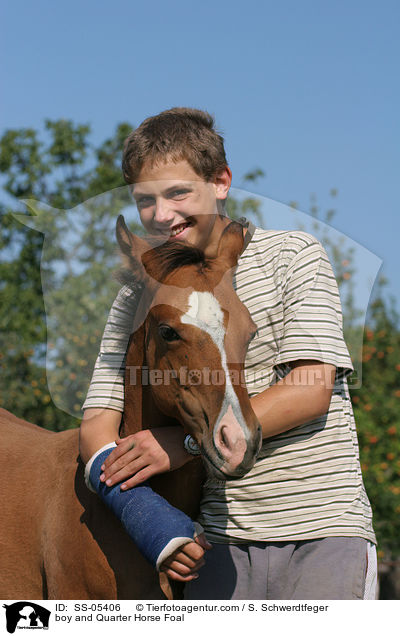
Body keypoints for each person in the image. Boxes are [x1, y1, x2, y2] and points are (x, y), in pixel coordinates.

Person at [79, 107, 377, 599]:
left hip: (321, 531)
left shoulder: (292, 255)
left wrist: (185, 444)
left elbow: (312, 386)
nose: (161, 214)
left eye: (178, 192)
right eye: (144, 200)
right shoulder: (137, 294)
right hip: (214, 542)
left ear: (221, 182)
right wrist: (155, 526)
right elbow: (95, 428)